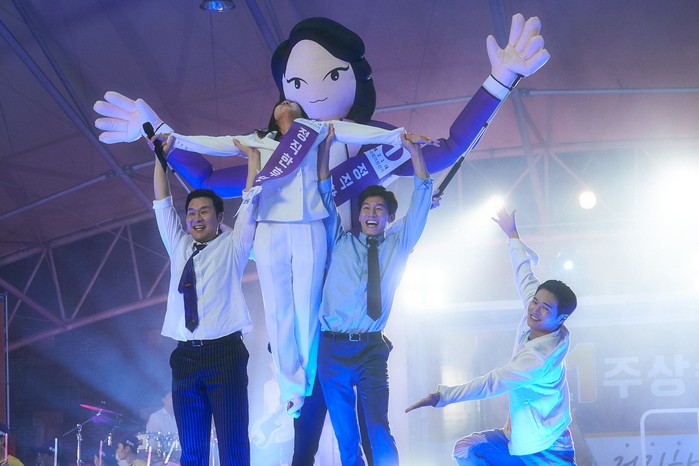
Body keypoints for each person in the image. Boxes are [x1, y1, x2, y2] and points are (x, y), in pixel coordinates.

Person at [155, 100, 409, 420]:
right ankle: (291, 389)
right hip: (269, 228)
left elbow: (354, 131)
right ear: (273, 116)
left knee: (307, 308)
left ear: (301, 113)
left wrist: (397, 136)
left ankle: (308, 381)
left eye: (290, 102)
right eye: (280, 102)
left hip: (309, 226)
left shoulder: (315, 132)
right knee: (277, 310)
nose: (285, 103)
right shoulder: (258, 140)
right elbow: (216, 144)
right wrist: (176, 140)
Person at [405, 208, 578, 465]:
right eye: (535, 302)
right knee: (466, 450)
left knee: (470, 450)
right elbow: (525, 276)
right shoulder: (536, 316)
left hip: (547, 445)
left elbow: (491, 383)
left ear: (561, 318)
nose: (535, 309)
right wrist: (513, 235)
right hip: (521, 437)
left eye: (545, 308)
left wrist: (444, 396)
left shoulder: (538, 359)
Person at [316, 127, 434, 465]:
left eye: (379, 209)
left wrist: (415, 153)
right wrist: (325, 147)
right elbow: (324, 192)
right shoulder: (339, 240)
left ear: (390, 218)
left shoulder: (399, 244)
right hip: (332, 348)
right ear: (358, 214)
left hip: (370, 349)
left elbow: (422, 198)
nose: (370, 213)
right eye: (366, 207)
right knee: (345, 435)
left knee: (378, 425)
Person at [149, 133, 259, 465]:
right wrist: (160, 159)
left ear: (219, 218)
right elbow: (162, 203)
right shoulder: (179, 245)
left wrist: (253, 158)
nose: (197, 218)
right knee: (192, 449)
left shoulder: (234, 246)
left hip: (225, 353)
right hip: (185, 356)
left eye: (204, 212)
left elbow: (251, 202)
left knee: (233, 443)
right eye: (192, 213)